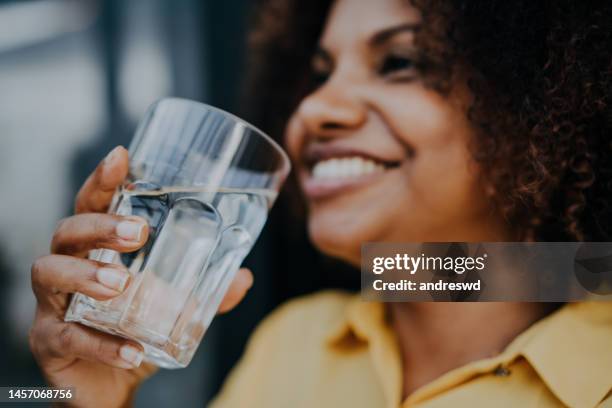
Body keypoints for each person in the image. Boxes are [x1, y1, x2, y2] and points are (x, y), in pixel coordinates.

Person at [29, 0, 612, 407]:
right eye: (318, 74)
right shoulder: (294, 342)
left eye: (401, 62)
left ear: (534, 102)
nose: (311, 110)